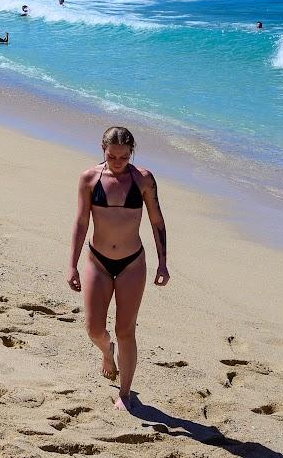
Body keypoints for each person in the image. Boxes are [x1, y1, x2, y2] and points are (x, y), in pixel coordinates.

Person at [68, 126, 169, 410]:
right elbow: (80, 223)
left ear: (131, 153)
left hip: (132, 263)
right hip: (97, 261)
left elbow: (157, 221)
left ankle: (124, 394)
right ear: (103, 150)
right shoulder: (89, 178)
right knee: (93, 329)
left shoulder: (144, 180)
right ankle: (106, 352)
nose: (117, 162)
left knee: (126, 331)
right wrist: (72, 265)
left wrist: (163, 262)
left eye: (124, 157)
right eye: (112, 156)